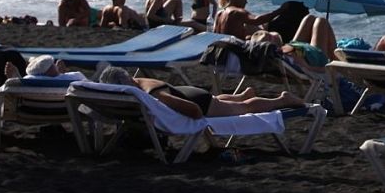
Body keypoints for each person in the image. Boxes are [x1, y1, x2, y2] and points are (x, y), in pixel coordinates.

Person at [95, 65, 304, 119]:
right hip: (185, 91)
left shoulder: (152, 93)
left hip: (198, 101)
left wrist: (199, 122)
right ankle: (242, 94)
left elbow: (194, 111)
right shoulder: (138, 79)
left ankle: (281, 99)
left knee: (244, 109)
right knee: (223, 100)